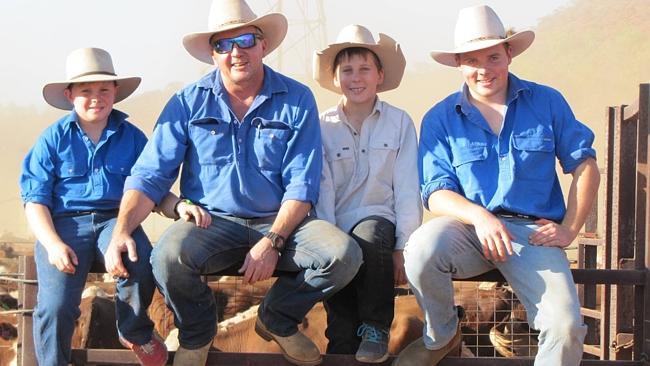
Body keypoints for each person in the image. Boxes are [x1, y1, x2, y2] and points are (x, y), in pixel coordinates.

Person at [105, 1, 363, 365]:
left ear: (263, 45)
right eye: (223, 45)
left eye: (244, 39)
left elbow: (302, 185)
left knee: (344, 254)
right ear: (213, 55)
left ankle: (277, 317)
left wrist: (273, 240)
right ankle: (198, 334)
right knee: (166, 256)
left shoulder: (296, 98)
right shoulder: (188, 101)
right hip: (211, 224)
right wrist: (121, 231)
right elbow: (149, 175)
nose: (235, 52)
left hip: (281, 223)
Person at [393, 5, 600, 366]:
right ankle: (442, 334)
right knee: (421, 247)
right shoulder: (440, 117)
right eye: (472, 60)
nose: (483, 69)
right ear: (459, 63)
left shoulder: (546, 101)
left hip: (532, 235)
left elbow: (585, 165)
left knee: (565, 327)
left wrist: (569, 229)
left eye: (492, 57)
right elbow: (436, 192)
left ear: (509, 54)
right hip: (469, 231)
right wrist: (481, 218)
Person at [19, 47, 184, 366]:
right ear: (69, 95)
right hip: (64, 225)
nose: (96, 97)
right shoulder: (52, 140)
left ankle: (134, 331)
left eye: (104, 89)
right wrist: (53, 245)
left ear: (115, 92)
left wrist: (179, 206)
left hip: (116, 221)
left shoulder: (134, 138)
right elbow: (34, 200)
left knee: (139, 259)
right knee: (55, 306)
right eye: (86, 91)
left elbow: (154, 188)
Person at [312, 24, 421, 363]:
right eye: (347, 70)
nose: (355, 78)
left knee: (369, 233)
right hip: (337, 227)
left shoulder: (399, 123)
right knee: (342, 333)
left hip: (379, 224)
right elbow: (322, 188)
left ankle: (376, 327)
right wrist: (326, 239)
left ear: (380, 75)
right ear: (335, 78)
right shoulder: (322, 125)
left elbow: (406, 187)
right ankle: (342, 343)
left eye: (364, 69)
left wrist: (405, 246)